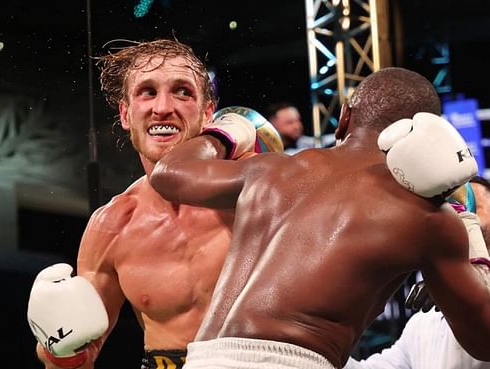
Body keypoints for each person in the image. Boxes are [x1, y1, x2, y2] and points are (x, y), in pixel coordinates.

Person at [150, 67, 490, 369]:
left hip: (202, 358)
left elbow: (169, 173)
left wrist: (230, 130)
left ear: (344, 118)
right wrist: (467, 226)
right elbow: (483, 341)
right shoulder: (426, 216)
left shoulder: (271, 172)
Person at [28, 38, 240, 369]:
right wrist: (57, 344)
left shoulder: (253, 195)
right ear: (126, 115)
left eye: (182, 91)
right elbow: (81, 357)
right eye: (147, 92)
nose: (162, 107)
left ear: (208, 112)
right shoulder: (112, 226)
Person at [344, 176, 490, 369]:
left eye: (469, 206)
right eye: (446, 209)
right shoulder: (422, 324)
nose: (455, 218)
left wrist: (464, 288)